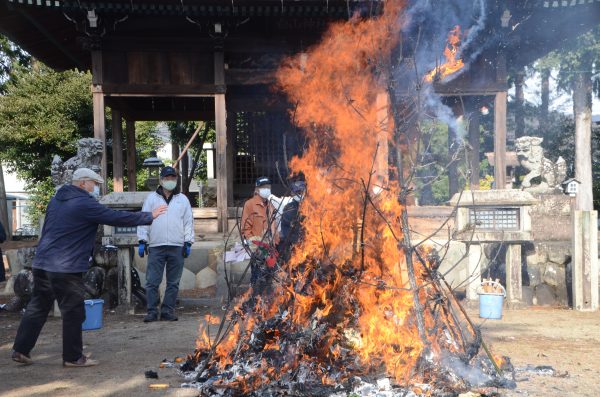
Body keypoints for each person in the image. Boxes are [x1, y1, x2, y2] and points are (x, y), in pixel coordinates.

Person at [12, 168, 167, 367]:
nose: (95, 187)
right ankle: (73, 357)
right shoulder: (84, 203)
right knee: (74, 310)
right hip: (65, 265)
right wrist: (149, 216)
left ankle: (21, 349)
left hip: (42, 262)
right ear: (83, 183)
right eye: (94, 183)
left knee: (38, 306)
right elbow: (114, 217)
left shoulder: (56, 200)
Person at [137, 166, 194, 323]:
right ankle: (152, 311)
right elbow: (144, 219)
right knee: (152, 281)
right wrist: (142, 240)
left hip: (177, 245)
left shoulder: (182, 199)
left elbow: (188, 222)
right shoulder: (151, 199)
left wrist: (188, 241)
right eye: (167, 178)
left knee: (173, 282)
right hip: (156, 245)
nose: (170, 181)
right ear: (161, 180)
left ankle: (168, 310)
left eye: (173, 178)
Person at [279, 180, 306, 260]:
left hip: (309, 245)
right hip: (292, 246)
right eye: (297, 192)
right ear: (292, 193)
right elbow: (285, 228)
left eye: (301, 191)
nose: (300, 194)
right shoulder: (289, 208)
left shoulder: (311, 207)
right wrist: (296, 240)